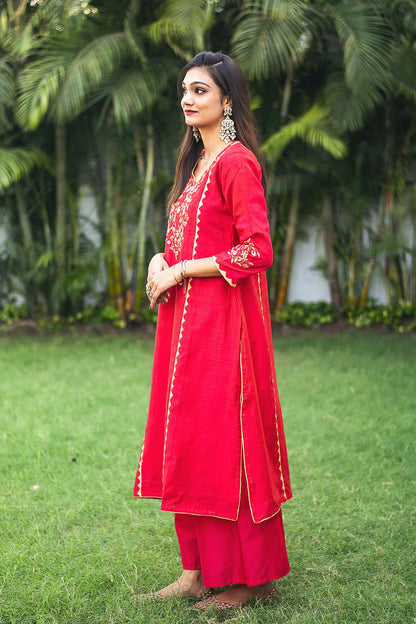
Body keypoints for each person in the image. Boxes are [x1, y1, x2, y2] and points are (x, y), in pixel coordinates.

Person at [133, 51, 292, 611]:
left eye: (200, 90)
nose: (187, 98)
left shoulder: (236, 162)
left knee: (226, 445)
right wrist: (160, 260)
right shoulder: (196, 163)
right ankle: (196, 570)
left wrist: (180, 270)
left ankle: (245, 578)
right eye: (184, 89)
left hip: (223, 330)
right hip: (183, 330)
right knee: (190, 443)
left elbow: (257, 248)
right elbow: (184, 242)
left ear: (227, 100)